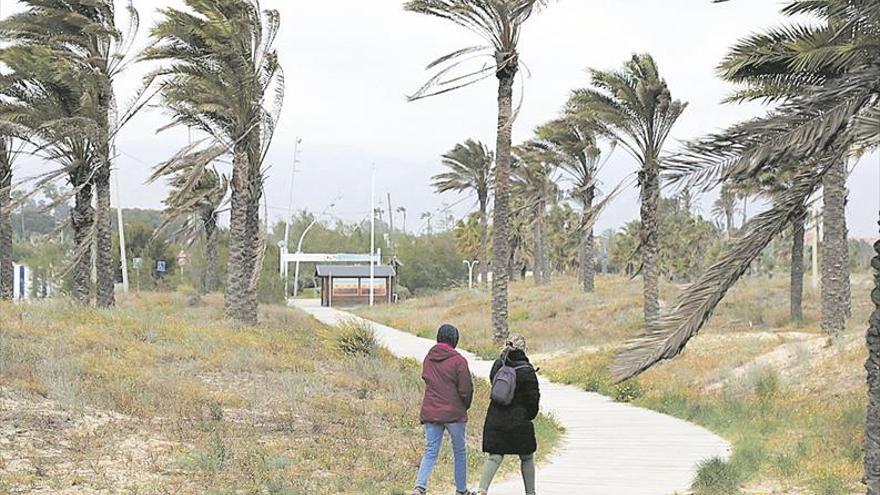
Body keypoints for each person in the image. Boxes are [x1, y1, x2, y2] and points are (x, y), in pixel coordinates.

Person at [412, 324, 476, 495]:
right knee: (460, 451)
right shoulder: (459, 361)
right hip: (454, 413)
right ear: (455, 340)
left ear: (438, 338)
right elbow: (466, 389)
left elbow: (426, 378)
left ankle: (420, 487)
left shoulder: (428, 358)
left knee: (431, 450)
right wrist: (465, 405)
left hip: (431, 411)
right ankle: (461, 490)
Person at [477, 335, 540, 495]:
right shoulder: (527, 370)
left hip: (496, 418)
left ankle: (482, 490)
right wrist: (529, 415)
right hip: (520, 421)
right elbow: (533, 399)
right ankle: (530, 492)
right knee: (526, 457)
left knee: (495, 456)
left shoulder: (499, 364)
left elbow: (494, 383)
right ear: (524, 349)